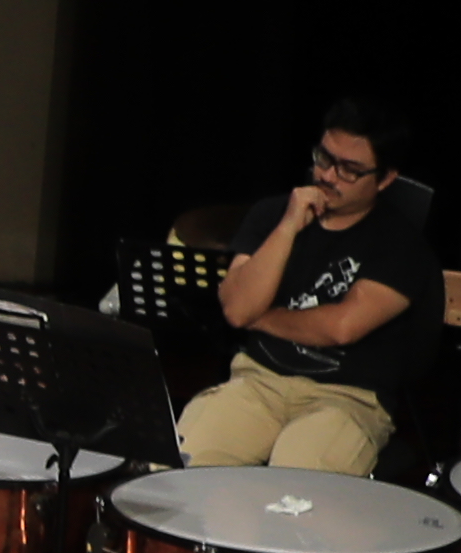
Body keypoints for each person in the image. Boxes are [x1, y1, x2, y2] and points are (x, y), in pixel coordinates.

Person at [187, 102, 438, 471]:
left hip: (345, 397)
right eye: (324, 158)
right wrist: (288, 226)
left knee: (296, 487)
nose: (329, 176)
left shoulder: (400, 244)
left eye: (349, 170)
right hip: (258, 381)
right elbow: (239, 309)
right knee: (182, 465)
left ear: (385, 179)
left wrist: (261, 318)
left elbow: (340, 327)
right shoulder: (273, 214)